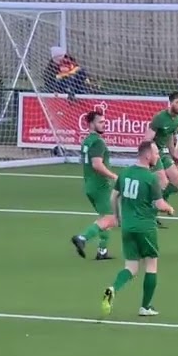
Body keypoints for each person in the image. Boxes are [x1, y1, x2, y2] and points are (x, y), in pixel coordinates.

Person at [101, 141, 175, 318]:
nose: (157, 157)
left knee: (131, 267)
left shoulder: (125, 173)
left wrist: (117, 217)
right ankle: (145, 307)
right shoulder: (150, 178)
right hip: (145, 228)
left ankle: (113, 289)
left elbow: (113, 197)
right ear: (147, 155)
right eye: (156, 153)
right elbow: (159, 204)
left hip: (127, 227)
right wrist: (169, 208)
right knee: (151, 264)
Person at [71, 110, 118, 260]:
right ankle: (83, 237)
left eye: (104, 122)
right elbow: (97, 165)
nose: (104, 124)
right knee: (111, 218)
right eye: (100, 122)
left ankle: (102, 251)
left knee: (105, 218)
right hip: (99, 186)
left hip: (90, 185)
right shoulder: (98, 142)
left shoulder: (87, 141)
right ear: (91, 124)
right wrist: (114, 176)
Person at [143, 91, 178, 227]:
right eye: (177, 102)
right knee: (162, 182)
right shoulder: (159, 118)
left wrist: (173, 154)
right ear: (170, 103)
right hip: (152, 155)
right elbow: (146, 140)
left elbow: (169, 136)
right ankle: (150, 214)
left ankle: (157, 204)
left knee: (177, 181)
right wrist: (149, 158)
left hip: (163, 153)